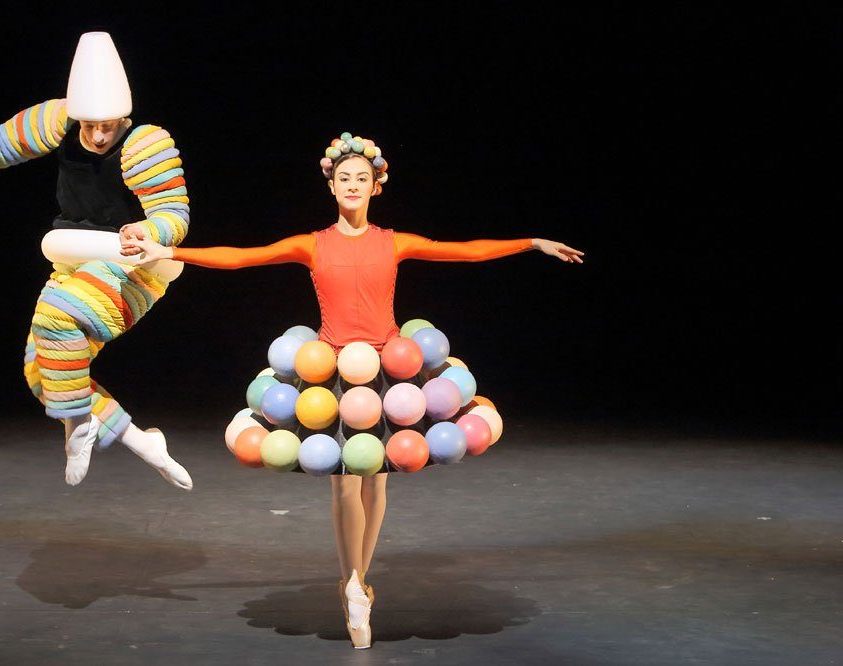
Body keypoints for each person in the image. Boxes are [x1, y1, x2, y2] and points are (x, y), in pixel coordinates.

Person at [122, 131, 584, 647]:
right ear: (332, 186)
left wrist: (531, 242)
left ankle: (360, 580)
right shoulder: (312, 244)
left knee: (377, 480)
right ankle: (351, 585)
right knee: (344, 481)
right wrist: (166, 249)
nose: (353, 185)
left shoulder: (394, 241)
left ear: (376, 186)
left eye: (362, 179)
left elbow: (465, 252)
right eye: (344, 178)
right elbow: (241, 257)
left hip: (388, 370)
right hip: (335, 370)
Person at [0, 32, 192, 490]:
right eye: (89, 125)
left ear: (125, 116)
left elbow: (174, 214)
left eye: (108, 125)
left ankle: (79, 427)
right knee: (42, 372)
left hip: (133, 266)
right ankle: (142, 441)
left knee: (57, 318)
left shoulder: (145, 143)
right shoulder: (57, 120)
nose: (98, 135)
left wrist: (149, 231)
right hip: (72, 261)